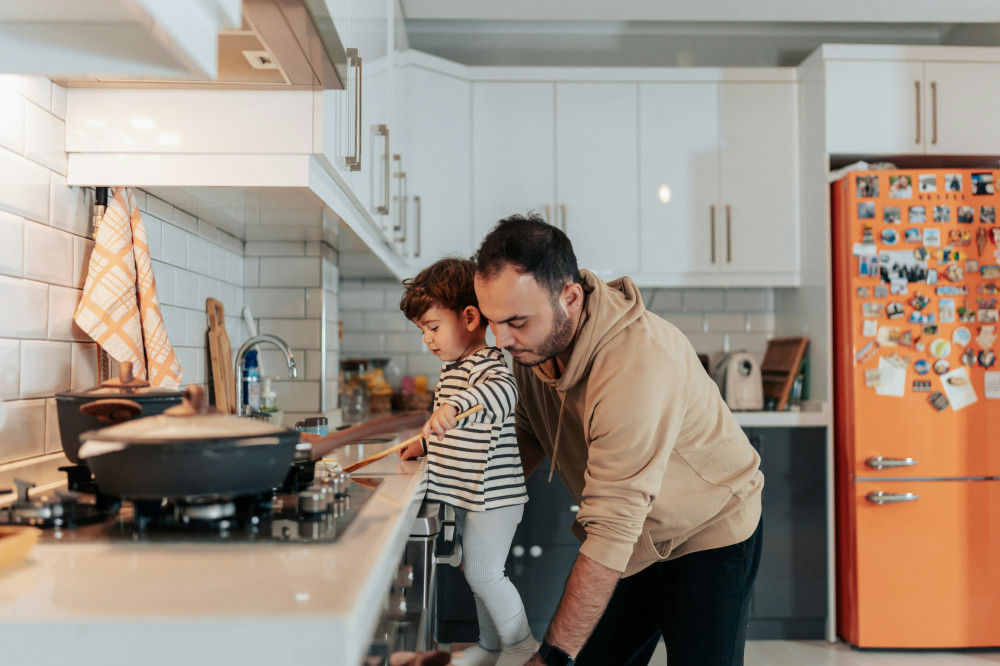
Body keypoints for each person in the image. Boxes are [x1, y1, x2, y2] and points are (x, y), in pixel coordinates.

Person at [472, 215, 764, 666]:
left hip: (709, 532)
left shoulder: (636, 366)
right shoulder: (535, 345)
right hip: (632, 534)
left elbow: (611, 530)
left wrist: (552, 659)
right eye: (493, 322)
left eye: (516, 322)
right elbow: (527, 435)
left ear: (570, 298)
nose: (501, 339)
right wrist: (464, 489)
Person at [398, 257, 538, 666]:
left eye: (433, 327)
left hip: (494, 499)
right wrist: (425, 444)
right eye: (423, 331)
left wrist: (456, 405)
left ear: (471, 318)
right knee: (476, 574)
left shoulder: (487, 364)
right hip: (472, 496)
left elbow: (503, 394)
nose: (427, 339)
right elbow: (457, 433)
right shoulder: (454, 369)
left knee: (485, 574)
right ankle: (492, 647)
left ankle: (522, 647)